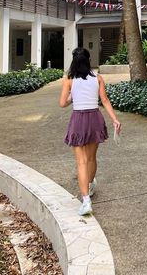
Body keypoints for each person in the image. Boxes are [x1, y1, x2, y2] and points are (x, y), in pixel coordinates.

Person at [60, 47, 121, 216]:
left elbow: (62, 103)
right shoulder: (98, 78)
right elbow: (105, 100)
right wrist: (115, 119)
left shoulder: (69, 80)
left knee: (81, 162)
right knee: (92, 158)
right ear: (88, 60)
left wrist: (73, 97)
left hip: (78, 120)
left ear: (74, 61)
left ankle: (86, 201)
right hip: (95, 118)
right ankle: (91, 184)